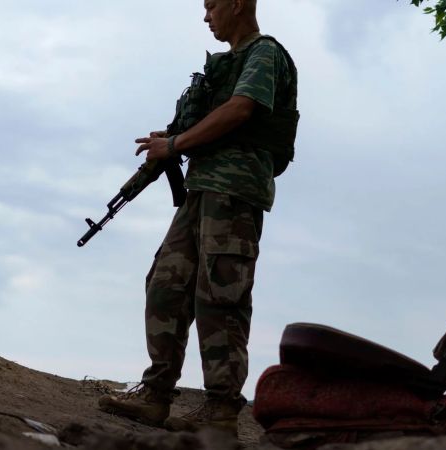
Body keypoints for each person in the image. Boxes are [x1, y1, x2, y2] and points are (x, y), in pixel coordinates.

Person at [97, 0, 299, 437]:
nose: (206, 16)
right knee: (166, 284)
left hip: (235, 191)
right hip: (201, 189)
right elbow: (219, 115)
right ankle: (155, 396)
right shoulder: (227, 63)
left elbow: (242, 109)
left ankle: (221, 411)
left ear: (238, 4)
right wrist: (172, 138)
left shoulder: (264, 53)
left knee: (219, 295)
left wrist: (176, 145)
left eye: (211, 6)